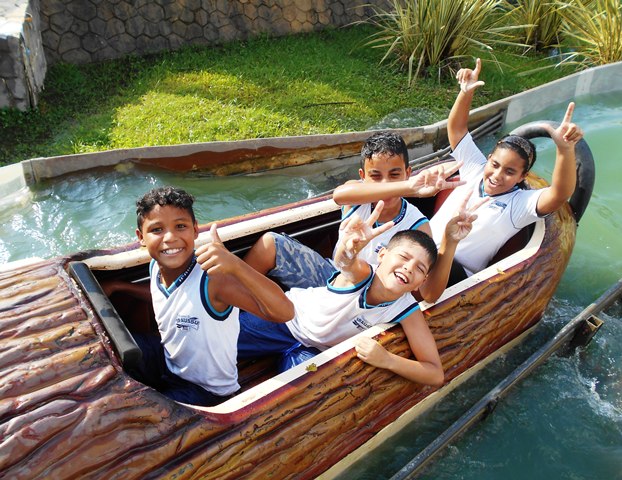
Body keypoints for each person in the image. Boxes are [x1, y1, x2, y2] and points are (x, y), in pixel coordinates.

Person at [234, 199, 479, 384]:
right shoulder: (363, 273)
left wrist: (388, 360)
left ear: (421, 282)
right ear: (382, 255)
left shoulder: (406, 309)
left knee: (299, 396)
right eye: (403, 257)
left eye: (419, 269)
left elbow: (435, 373)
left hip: (313, 352)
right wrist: (350, 248)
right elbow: (345, 263)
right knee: (220, 346)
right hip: (287, 321)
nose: (408, 268)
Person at [243, 131, 464, 303]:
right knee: (271, 244)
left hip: (370, 299)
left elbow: (428, 295)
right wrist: (408, 187)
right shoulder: (356, 196)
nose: (385, 183)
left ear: (408, 173)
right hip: (333, 277)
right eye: (375, 176)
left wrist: (450, 241)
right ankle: (233, 305)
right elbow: (339, 195)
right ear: (362, 177)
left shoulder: (417, 225)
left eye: (394, 175)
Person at [130, 186, 293, 406]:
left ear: (195, 230)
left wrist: (236, 265)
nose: (170, 238)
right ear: (141, 237)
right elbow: (172, 299)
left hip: (206, 391)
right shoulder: (155, 266)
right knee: (119, 350)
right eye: (157, 229)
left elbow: (285, 312)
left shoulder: (214, 280)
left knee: (150, 412)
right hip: (169, 362)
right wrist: (121, 287)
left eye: (180, 226)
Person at [428, 58, 585, 284]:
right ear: (489, 159)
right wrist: (465, 92)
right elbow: (457, 130)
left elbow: (560, 193)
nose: (497, 175)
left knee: (424, 258)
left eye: (510, 172)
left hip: (455, 274)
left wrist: (564, 149)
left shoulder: (519, 204)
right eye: (495, 165)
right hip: (419, 250)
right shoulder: (474, 169)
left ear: (522, 177)